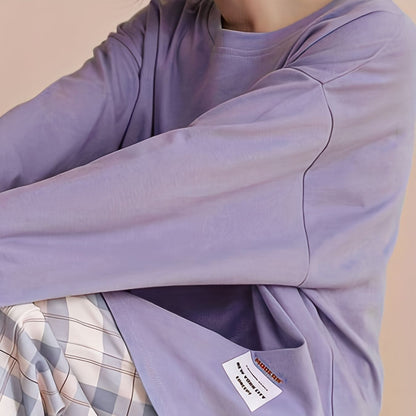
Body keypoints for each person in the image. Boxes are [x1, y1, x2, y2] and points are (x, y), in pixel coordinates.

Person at [0, 0, 415, 414]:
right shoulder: (170, 27)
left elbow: (170, 184)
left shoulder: (370, 43)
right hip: (139, 340)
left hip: (273, 383)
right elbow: (29, 140)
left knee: (25, 325)